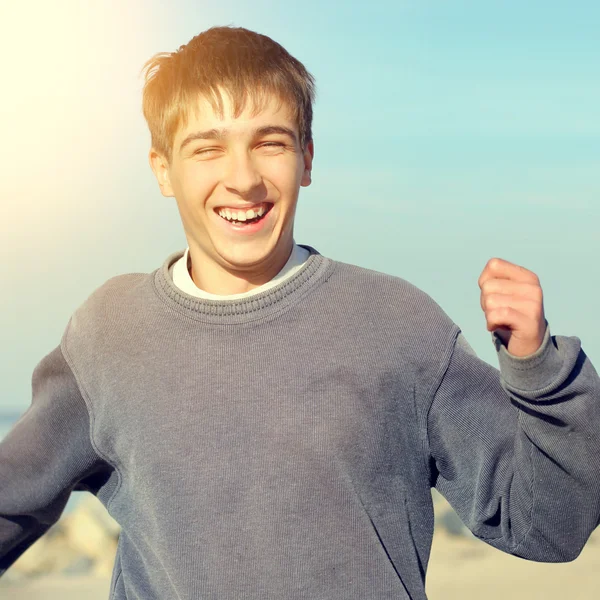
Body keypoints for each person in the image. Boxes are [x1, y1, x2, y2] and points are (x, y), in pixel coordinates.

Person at [1, 25, 599, 600]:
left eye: (270, 143)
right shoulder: (110, 334)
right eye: (207, 148)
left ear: (307, 159)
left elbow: (550, 525)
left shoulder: (399, 326)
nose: (243, 179)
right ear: (163, 170)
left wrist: (541, 369)